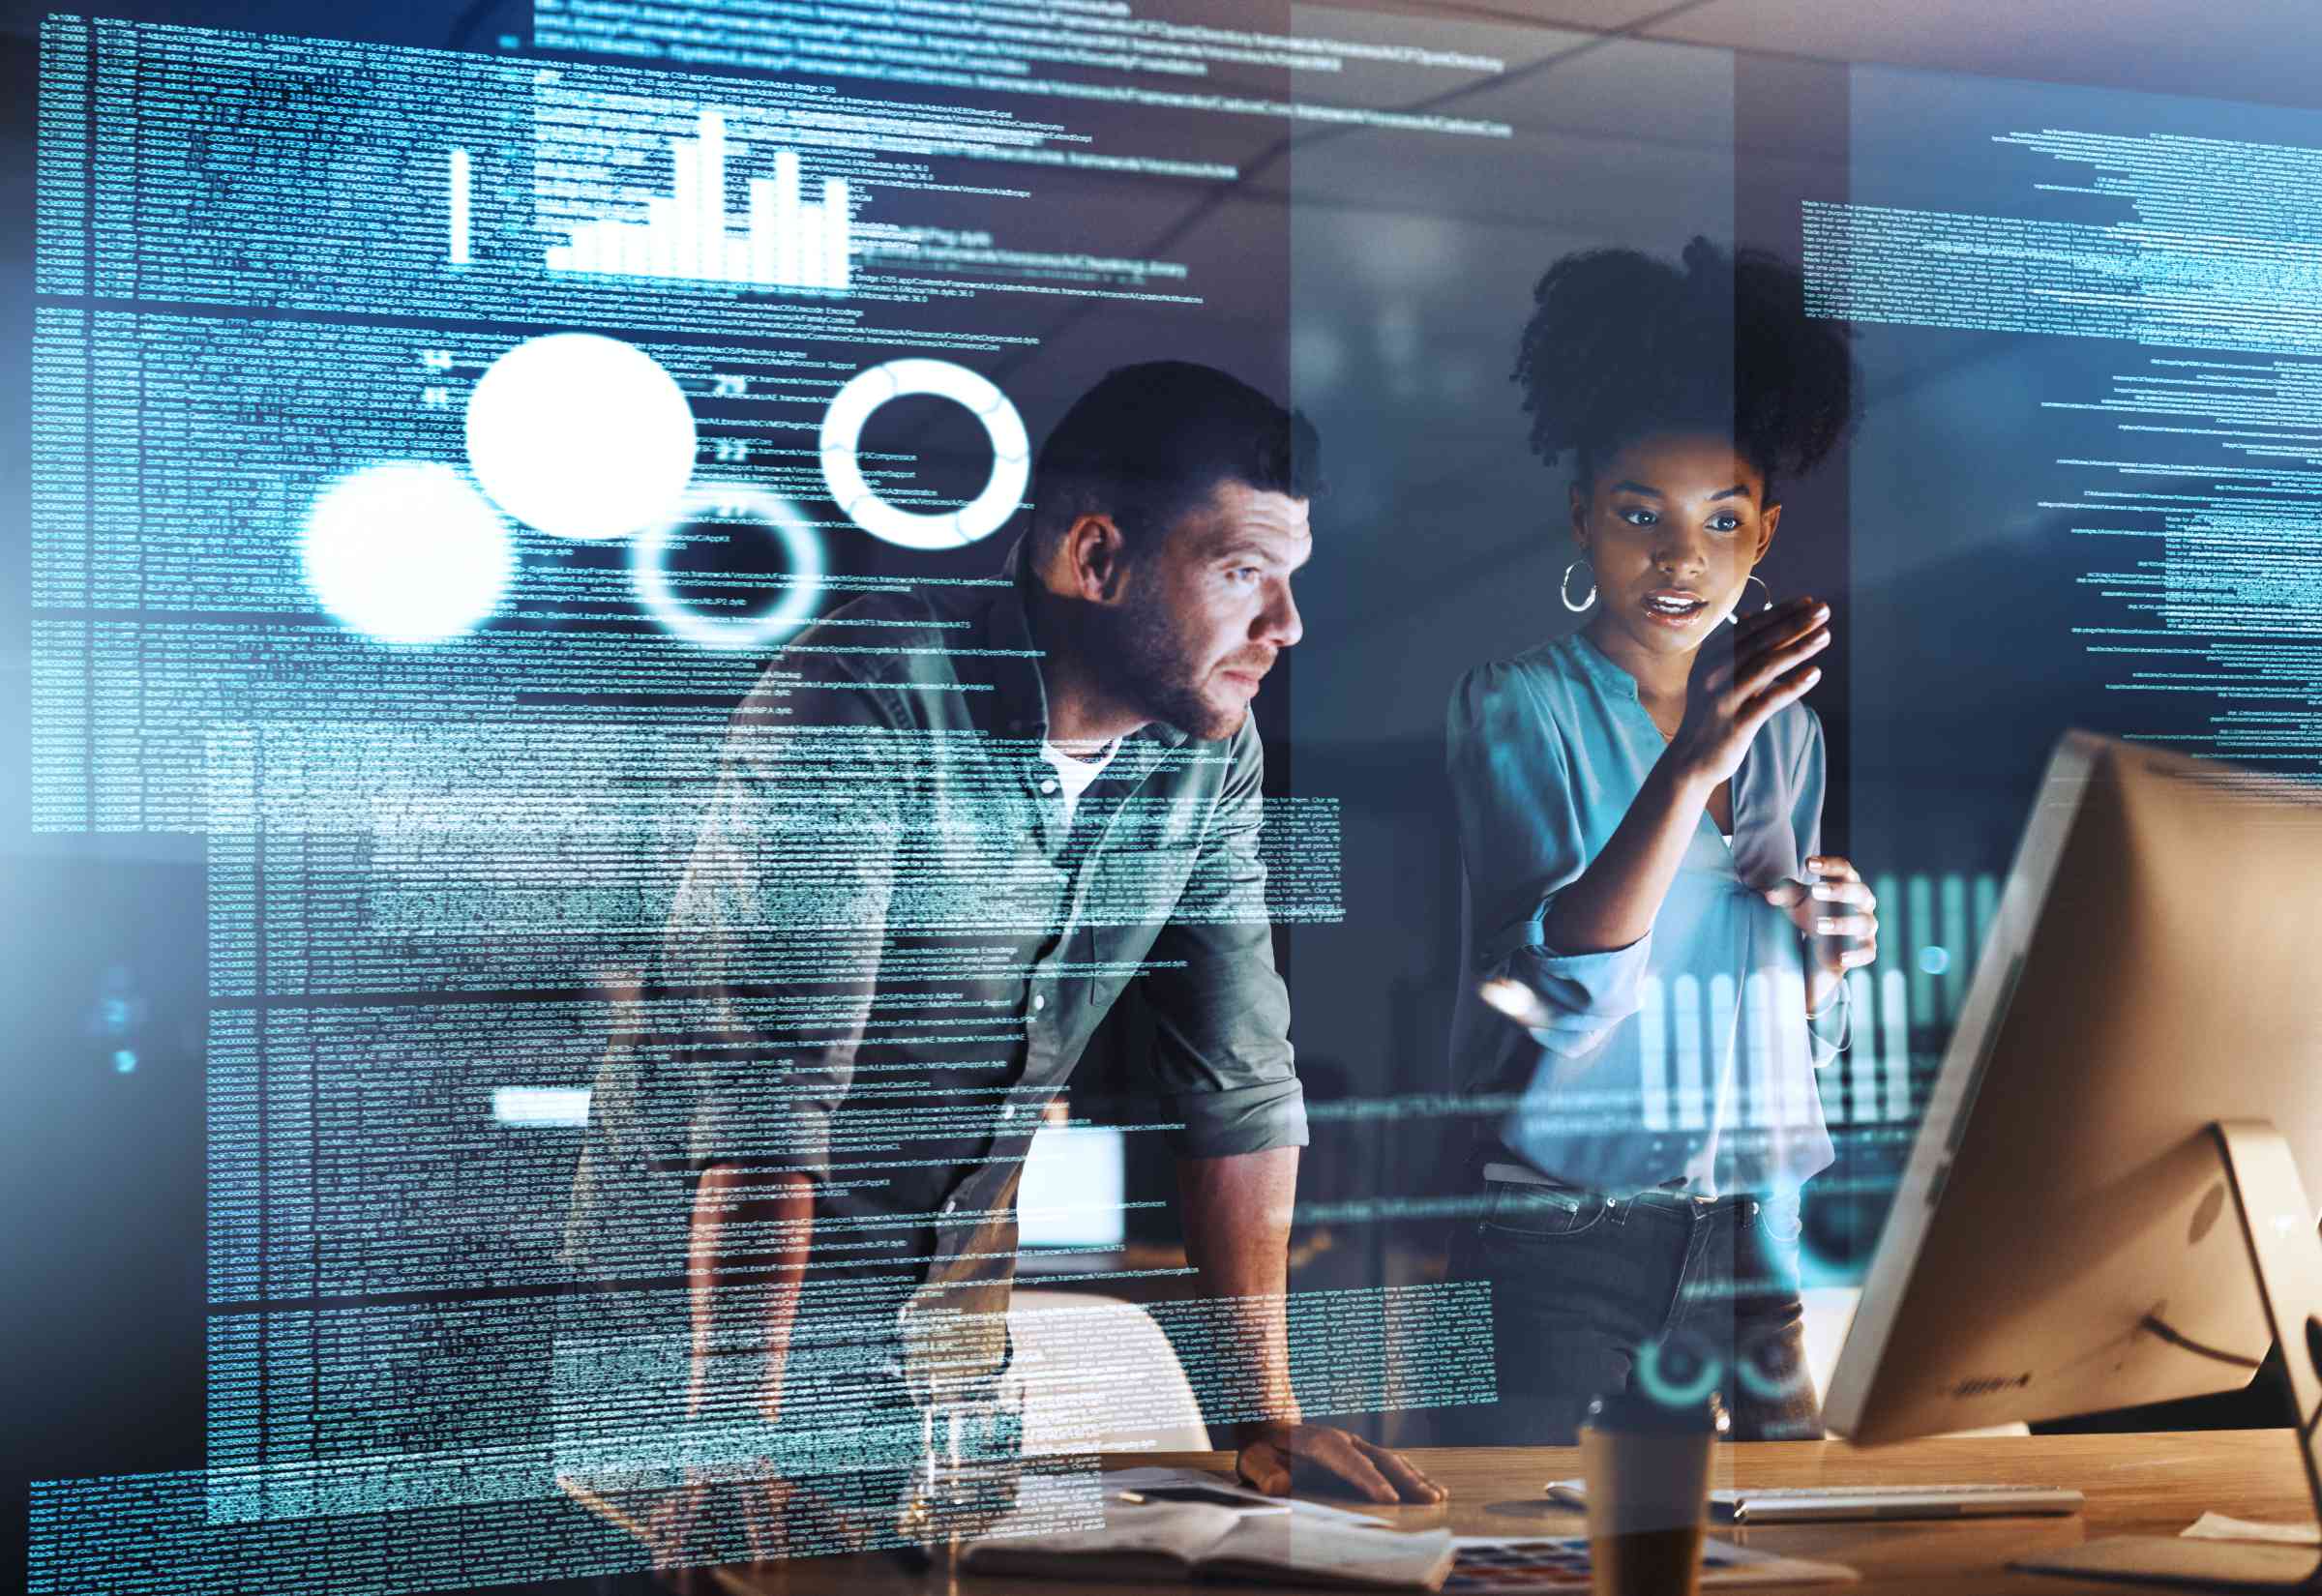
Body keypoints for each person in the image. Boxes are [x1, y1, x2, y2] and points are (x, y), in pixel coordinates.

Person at [562, 361, 1443, 1571]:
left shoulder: (1208, 755)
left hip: (941, 1379)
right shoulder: (859, 694)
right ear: (1096, 558)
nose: (1285, 625)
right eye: (1245, 572)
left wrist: (1268, 1422)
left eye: (1292, 580)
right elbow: (768, 1104)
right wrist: (724, 1442)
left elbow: (1239, 1086)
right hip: (698, 1373)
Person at [1442, 239, 1880, 1444]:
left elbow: (1803, 1043)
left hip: (1755, 1232)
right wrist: (1690, 767)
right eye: (1642, 514)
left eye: (1721, 520)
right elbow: (1555, 1004)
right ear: (1584, 517)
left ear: (1763, 535)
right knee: (1545, 1537)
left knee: (1787, 1535)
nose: (1683, 557)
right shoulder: (1516, 704)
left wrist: (1826, 962)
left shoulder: (1788, 736)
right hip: (1569, 1235)